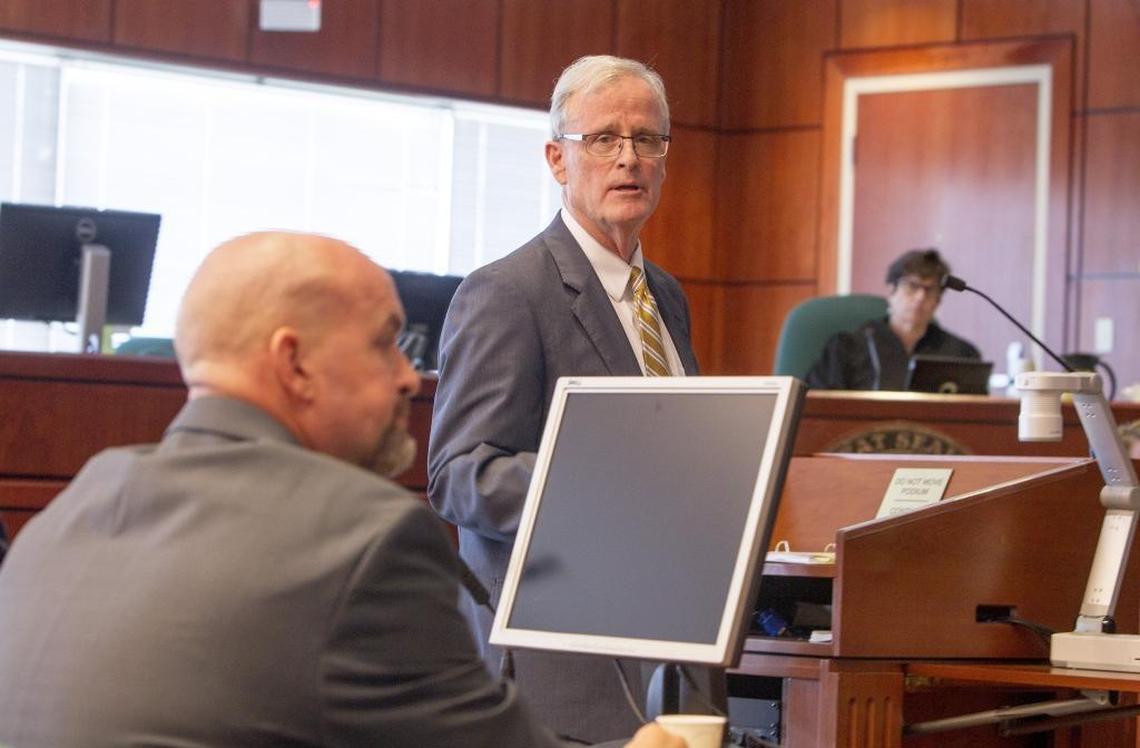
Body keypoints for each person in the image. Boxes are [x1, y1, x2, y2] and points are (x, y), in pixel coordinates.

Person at [0, 232, 681, 748]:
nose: (409, 377)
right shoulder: (364, 540)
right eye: (386, 344)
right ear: (293, 363)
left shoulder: (72, 512)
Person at [427, 55, 700, 743]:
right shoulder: (507, 292)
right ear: (557, 159)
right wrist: (597, 486)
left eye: (646, 139)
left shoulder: (665, 296)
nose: (628, 158)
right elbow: (459, 475)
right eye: (603, 139)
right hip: (562, 674)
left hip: (671, 650)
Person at [806, 248, 981, 390]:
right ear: (891, 291)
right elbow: (819, 407)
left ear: (938, 302)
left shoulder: (961, 355)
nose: (920, 297)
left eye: (930, 290)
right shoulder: (847, 349)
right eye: (912, 286)